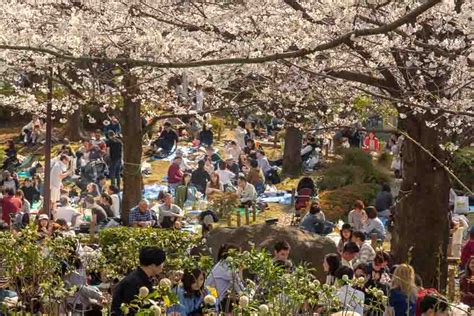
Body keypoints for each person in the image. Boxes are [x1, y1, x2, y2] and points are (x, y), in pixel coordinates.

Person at [111, 247, 166, 315]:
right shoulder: (132, 282)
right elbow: (131, 310)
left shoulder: (147, 279)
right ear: (153, 265)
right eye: (162, 263)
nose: (163, 266)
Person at [205, 244, 244, 312]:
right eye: (239, 256)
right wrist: (241, 270)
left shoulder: (222, 264)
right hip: (212, 300)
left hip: (211, 298)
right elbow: (240, 289)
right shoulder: (227, 267)